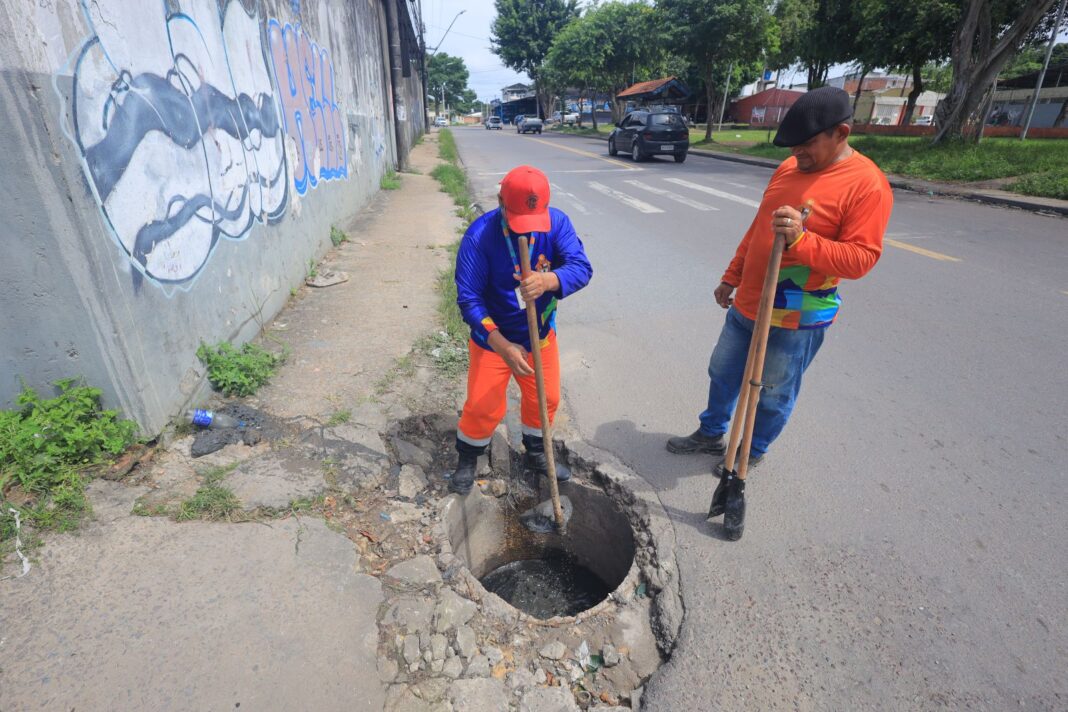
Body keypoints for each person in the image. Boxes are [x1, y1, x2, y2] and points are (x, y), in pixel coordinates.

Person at [666, 86, 893, 468]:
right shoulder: (790, 168)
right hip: (750, 301)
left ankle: (750, 452)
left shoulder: (867, 185)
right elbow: (759, 228)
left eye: (807, 145)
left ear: (841, 133)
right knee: (722, 370)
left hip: (797, 316)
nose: (796, 153)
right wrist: (732, 275)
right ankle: (711, 432)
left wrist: (802, 241)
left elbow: (860, 259)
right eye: (792, 146)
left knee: (772, 392)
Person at [448, 165, 593, 494]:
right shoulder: (479, 237)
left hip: (539, 336)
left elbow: (581, 267)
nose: (525, 230)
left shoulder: (557, 223)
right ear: (500, 200)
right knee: (482, 406)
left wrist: (549, 280)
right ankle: (468, 457)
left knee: (546, 398)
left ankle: (536, 451)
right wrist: (502, 345)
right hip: (494, 341)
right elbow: (469, 300)